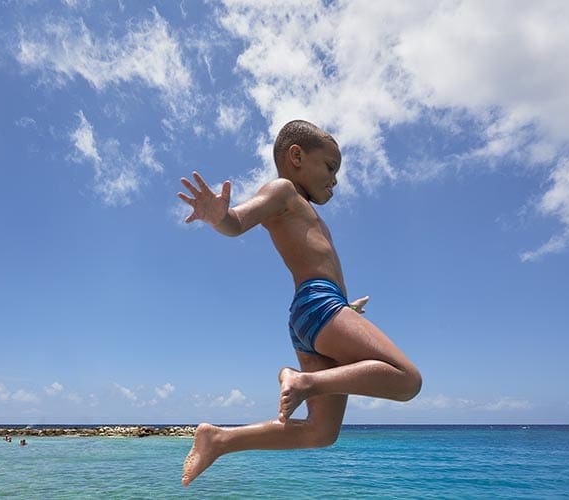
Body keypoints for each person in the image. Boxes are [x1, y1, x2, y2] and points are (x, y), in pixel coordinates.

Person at [177, 120, 422, 487]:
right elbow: (238, 220)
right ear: (296, 156)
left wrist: (347, 311)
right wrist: (220, 217)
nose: (335, 180)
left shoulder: (306, 212)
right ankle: (304, 381)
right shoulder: (283, 191)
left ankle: (220, 439)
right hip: (317, 304)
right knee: (407, 380)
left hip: (317, 314)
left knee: (320, 433)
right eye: (329, 167)